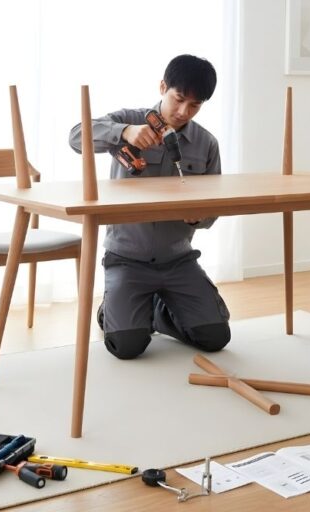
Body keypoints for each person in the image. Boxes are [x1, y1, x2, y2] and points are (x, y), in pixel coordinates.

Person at [69, 54, 231, 360]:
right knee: (127, 346)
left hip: (179, 260)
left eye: (195, 105)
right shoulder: (128, 119)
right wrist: (124, 132)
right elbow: (76, 137)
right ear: (162, 87)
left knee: (215, 337)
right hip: (126, 259)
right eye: (179, 99)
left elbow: (214, 207)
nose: (184, 111)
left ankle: (156, 311)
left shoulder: (206, 143)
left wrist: (200, 217)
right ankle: (118, 309)